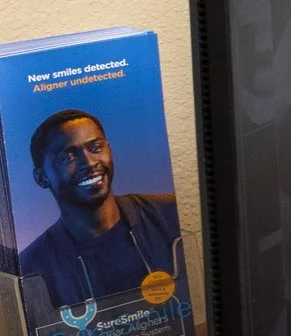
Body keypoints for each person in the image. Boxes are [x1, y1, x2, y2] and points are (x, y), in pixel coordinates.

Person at [17, 109, 189, 318]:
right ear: (41, 177)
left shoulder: (170, 214)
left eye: (96, 148)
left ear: (110, 151)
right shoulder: (31, 267)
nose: (89, 163)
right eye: (69, 156)